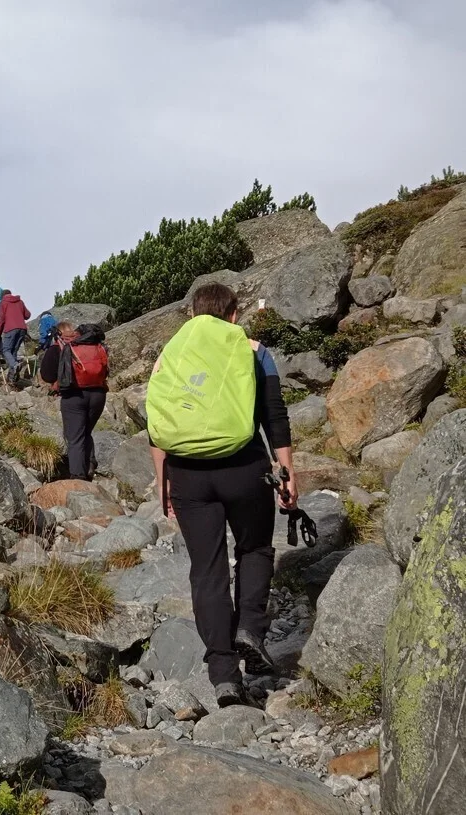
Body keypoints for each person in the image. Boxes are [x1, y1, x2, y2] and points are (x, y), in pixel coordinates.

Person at [147, 282, 296, 709]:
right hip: (244, 469)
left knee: (207, 571)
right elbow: (274, 415)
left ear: (193, 314)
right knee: (255, 549)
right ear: (234, 314)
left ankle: (224, 677)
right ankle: (249, 626)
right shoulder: (254, 350)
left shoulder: (171, 354)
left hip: (188, 476)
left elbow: (158, 418)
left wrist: (164, 480)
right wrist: (286, 471)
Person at [39, 322, 109, 479]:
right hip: (98, 394)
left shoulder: (58, 347)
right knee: (85, 431)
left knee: (75, 437)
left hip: (73, 396)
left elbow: (47, 375)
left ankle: (78, 478)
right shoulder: (92, 344)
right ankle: (90, 464)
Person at [0, 289, 31, 382]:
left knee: (6, 350)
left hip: (10, 329)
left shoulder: (2, 303)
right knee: (13, 352)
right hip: (22, 329)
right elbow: (27, 315)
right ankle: (12, 378)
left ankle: (15, 366)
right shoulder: (19, 302)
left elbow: (0, 319)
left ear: (2, 296)